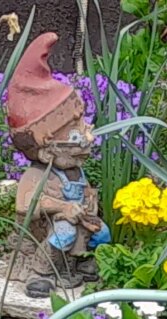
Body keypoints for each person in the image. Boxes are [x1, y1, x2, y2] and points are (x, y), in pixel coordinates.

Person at [6, 35, 104, 298]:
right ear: (48, 148)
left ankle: (77, 264)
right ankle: (42, 271)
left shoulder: (74, 169)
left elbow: (83, 192)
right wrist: (62, 207)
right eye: (76, 132)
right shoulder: (38, 174)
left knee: (101, 231)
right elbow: (25, 205)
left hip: (77, 219)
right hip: (47, 226)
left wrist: (89, 205)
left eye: (84, 124)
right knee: (63, 232)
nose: (88, 136)